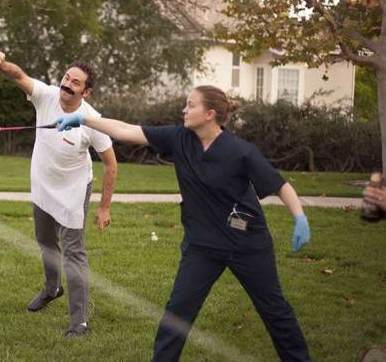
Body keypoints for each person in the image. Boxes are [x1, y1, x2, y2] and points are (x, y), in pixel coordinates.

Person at [55, 85, 312, 361]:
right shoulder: (180, 138)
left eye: (191, 105)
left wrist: (299, 217)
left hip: (247, 244)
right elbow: (125, 130)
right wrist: (84, 119)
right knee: (177, 312)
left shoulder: (240, 151)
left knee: (275, 311)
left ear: (210, 114)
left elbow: (279, 184)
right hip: (203, 245)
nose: (184, 110)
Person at [0, 49, 118, 337]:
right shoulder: (45, 96)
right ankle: (52, 288)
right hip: (43, 186)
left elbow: (111, 164)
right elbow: (19, 76)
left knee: (74, 253)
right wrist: (2, 65)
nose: (67, 84)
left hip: (73, 191)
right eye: (66, 77)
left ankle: (80, 321)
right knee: (46, 242)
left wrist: (104, 207)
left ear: (87, 91)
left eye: (76, 82)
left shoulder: (91, 120)